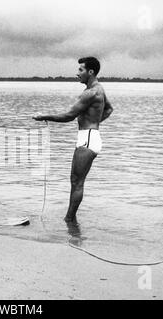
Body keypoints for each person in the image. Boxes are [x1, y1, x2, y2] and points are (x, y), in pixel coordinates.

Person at [33, 57, 113, 223]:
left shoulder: (90, 93)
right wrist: (94, 124)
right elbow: (109, 109)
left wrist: (43, 116)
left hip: (88, 139)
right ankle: (71, 221)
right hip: (91, 137)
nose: (77, 74)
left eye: (80, 70)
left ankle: (69, 219)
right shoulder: (99, 88)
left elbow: (69, 116)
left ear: (90, 72)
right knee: (76, 181)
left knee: (77, 182)